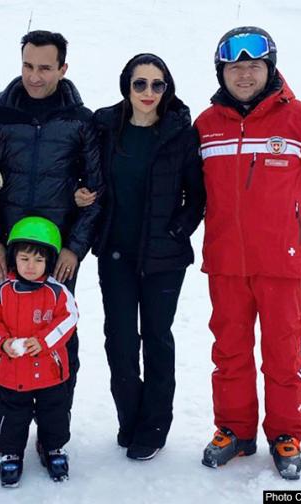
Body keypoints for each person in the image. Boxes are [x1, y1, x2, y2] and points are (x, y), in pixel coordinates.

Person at [195, 27, 301, 479]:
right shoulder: (206, 125)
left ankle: (285, 433)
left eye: (254, 66)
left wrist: (297, 230)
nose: (244, 75)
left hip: (283, 263)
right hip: (226, 262)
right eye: (234, 67)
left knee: (283, 353)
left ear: (270, 69)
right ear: (221, 72)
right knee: (229, 350)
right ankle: (235, 431)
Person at [0, 30, 102, 466]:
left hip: (55, 258)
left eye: (44, 67)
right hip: (4, 253)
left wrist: (74, 248)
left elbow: (98, 191)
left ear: (63, 68)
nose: (34, 76)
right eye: (27, 66)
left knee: (58, 342)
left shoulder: (80, 121)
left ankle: (52, 433)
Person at [77, 53, 205, 461]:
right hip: (115, 253)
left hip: (164, 258)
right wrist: (80, 193)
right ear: (126, 86)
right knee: (119, 340)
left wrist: (177, 230)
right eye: (140, 83)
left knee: (156, 338)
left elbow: (197, 197)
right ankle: (129, 418)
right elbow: (84, 173)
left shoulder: (180, 133)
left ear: (167, 89)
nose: (148, 92)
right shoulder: (105, 127)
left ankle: (153, 428)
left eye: (157, 84)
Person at [0, 217, 78, 487]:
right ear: (14, 258)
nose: (31, 266)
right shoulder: (2, 292)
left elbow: (69, 318)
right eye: (24, 259)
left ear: (49, 261)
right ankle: (10, 453)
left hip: (50, 372)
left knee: (54, 413)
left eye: (38, 260)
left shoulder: (57, 292)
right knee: (12, 415)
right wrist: (2, 343)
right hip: (13, 373)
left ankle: (53, 448)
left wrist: (44, 341)